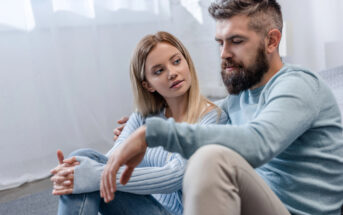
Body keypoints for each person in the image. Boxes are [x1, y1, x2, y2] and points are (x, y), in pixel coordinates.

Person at [102, 0, 343, 215]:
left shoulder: (297, 85)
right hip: (247, 205)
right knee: (86, 165)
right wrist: (144, 127)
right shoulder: (240, 97)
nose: (224, 53)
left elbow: (257, 142)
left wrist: (152, 134)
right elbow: (203, 112)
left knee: (211, 158)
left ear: (271, 41)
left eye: (236, 41)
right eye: (220, 43)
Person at [50, 31, 226, 215]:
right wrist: (73, 170)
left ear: (187, 62)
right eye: (159, 71)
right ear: (148, 85)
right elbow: (113, 158)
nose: (172, 73)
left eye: (176, 61)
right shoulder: (143, 117)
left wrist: (94, 175)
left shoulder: (211, 118)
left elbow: (176, 176)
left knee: (89, 173)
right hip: (144, 207)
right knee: (83, 158)